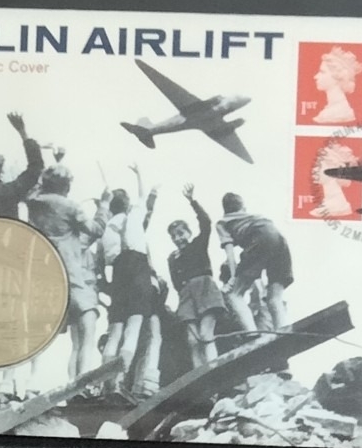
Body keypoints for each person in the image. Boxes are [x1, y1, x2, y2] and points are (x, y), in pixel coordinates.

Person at [24, 163, 107, 380]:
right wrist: (104, 206)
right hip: (67, 273)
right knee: (88, 322)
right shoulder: (70, 207)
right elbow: (96, 229)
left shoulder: (33, 202)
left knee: (39, 332)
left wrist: (55, 163)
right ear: (66, 186)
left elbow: (33, 188)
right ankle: (82, 380)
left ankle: (30, 382)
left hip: (41, 271)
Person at [101, 165, 165, 399]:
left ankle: (107, 383)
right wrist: (139, 174)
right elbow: (143, 197)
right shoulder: (134, 216)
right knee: (134, 328)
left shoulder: (106, 230)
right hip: (137, 268)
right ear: (126, 204)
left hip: (117, 273)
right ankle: (120, 381)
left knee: (115, 331)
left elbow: (102, 263)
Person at [167, 184, 228, 368]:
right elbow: (175, 283)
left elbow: (206, 223)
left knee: (205, 334)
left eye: (181, 233)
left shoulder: (198, 244)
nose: (178, 238)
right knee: (192, 340)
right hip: (186, 295)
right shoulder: (172, 258)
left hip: (204, 288)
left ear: (189, 233)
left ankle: (213, 369)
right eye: (173, 236)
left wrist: (192, 201)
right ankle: (200, 375)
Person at [216, 193, 294, 335]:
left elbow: (230, 254)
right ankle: (283, 331)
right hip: (279, 239)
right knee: (274, 297)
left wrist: (233, 278)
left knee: (234, 295)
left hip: (259, 238)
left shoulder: (222, 223)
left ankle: (252, 334)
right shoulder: (252, 216)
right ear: (243, 207)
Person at [311, 47, 362, 124]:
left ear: (337, 77)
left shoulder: (337, 112)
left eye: (322, 72)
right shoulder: (332, 109)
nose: (316, 77)